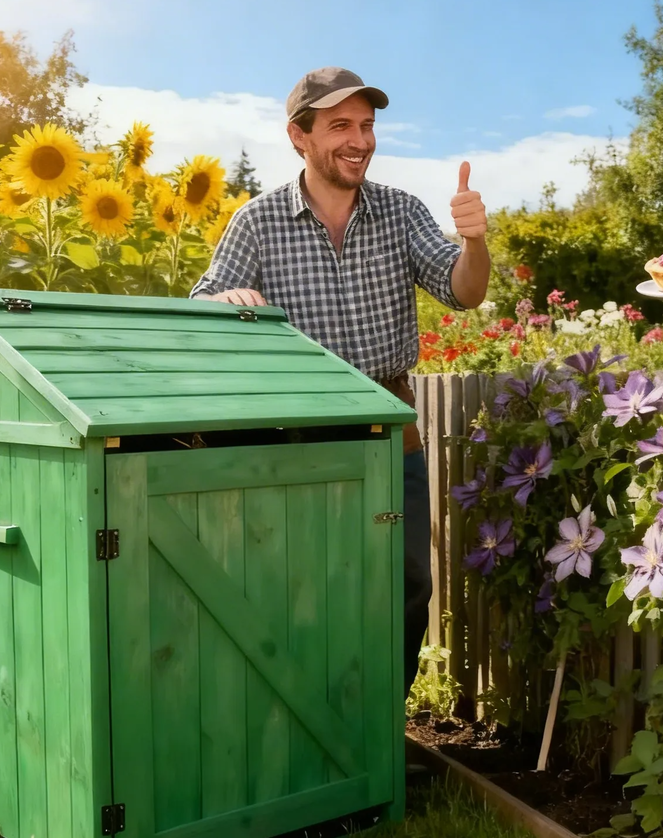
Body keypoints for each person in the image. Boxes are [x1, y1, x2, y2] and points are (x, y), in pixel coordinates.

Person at [191, 66, 490, 696]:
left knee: (408, 583)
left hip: (390, 431)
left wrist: (474, 242)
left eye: (367, 125)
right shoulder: (259, 222)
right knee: (306, 589)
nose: (360, 140)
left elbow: (464, 292)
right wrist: (227, 301)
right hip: (300, 436)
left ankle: (382, 730)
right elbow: (204, 302)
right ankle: (315, 733)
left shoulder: (401, 211)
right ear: (300, 137)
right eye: (340, 126)